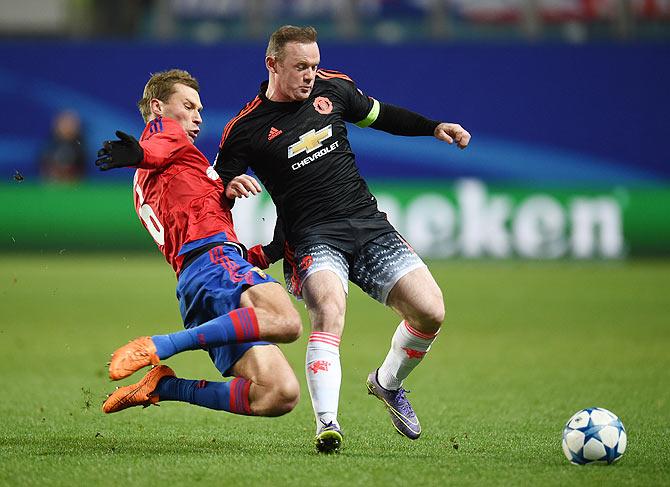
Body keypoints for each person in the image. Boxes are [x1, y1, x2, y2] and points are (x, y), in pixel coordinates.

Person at [215, 25, 471, 453]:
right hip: (312, 237)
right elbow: (212, 189)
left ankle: (387, 384)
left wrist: (433, 127)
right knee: (329, 313)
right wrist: (228, 185)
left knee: (431, 312)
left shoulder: (334, 90)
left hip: (368, 225)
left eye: (314, 65)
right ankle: (327, 424)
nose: (310, 75)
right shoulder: (245, 129)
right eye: (300, 67)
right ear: (272, 64)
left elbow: (382, 114)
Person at [95, 69, 302, 419]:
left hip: (198, 282)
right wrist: (140, 152)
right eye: (188, 106)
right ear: (158, 107)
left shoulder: (159, 175)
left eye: (200, 110)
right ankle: (163, 345)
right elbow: (157, 147)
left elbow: (191, 220)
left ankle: (165, 387)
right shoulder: (166, 137)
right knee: (287, 322)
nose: (197, 118)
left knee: (279, 394)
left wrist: (258, 246)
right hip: (214, 265)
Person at [40, 110, 87, 182]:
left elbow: (82, 169)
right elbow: (44, 166)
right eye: (64, 123)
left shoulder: (80, 146)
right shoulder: (50, 145)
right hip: (53, 181)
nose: (67, 127)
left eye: (71, 124)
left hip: (74, 182)